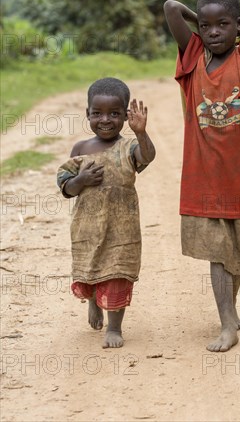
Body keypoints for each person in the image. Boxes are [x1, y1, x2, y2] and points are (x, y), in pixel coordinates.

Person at [164, 0, 240, 352]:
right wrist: (193, 21)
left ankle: (230, 309)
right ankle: (226, 321)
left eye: (223, 24)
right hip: (206, 179)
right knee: (219, 252)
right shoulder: (193, 56)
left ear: (237, 26)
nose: (213, 31)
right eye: (206, 25)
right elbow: (170, 8)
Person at [57, 77, 155, 348]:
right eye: (97, 113)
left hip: (122, 229)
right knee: (91, 269)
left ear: (126, 115)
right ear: (87, 114)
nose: (105, 120)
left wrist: (142, 133)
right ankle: (92, 302)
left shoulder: (129, 147)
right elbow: (66, 187)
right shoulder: (81, 149)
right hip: (87, 228)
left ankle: (114, 327)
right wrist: (81, 180)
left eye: (114, 113)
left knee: (117, 274)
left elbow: (147, 157)